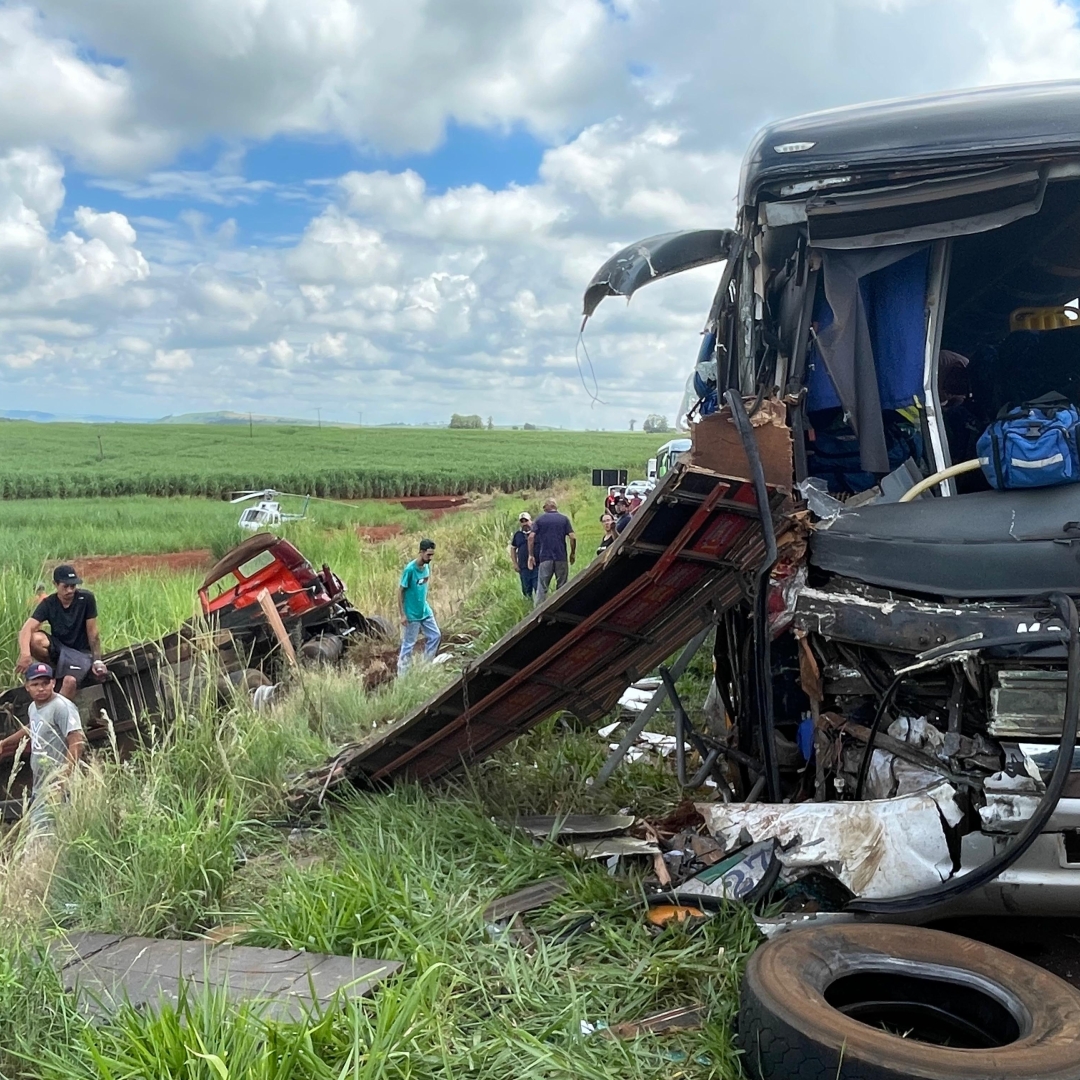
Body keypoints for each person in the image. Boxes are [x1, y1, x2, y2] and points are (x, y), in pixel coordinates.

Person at [0, 662, 85, 829]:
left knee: (48, 835)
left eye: (45, 683)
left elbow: (77, 742)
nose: (41, 688)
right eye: (35, 684)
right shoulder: (34, 708)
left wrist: (63, 779)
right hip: (40, 786)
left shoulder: (61, 707)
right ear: (27, 687)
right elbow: (34, 727)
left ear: (53, 683)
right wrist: (5, 742)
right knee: (42, 836)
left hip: (57, 785)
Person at [17, 565, 107, 701]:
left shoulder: (86, 599)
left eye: (73, 586)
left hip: (81, 652)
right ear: (55, 584)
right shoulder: (49, 603)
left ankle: (55, 712)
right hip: (60, 650)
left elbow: (93, 633)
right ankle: (54, 667)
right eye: (65, 586)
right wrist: (25, 655)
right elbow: (26, 629)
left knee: (69, 681)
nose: (70, 590)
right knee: (35, 639)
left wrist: (97, 661)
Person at [398, 539, 441, 672]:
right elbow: (400, 592)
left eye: (432, 555)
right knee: (408, 644)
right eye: (428, 555)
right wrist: (403, 615)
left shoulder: (427, 567)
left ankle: (425, 667)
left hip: (424, 611)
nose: (430, 558)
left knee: (435, 636)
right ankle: (402, 675)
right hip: (412, 614)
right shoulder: (410, 570)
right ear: (421, 552)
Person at [528, 498, 576, 605]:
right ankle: (561, 607)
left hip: (545, 557)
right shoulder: (564, 519)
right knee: (562, 587)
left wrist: (531, 555)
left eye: (544, 507)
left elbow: (531, 537)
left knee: (542, 588)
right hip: (561, 557)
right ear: (555, 507)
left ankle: (538, 613)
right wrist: (572, 553)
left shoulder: (540, 519)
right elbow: (572, 537)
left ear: (547, 507)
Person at [508, 512, 538, 599]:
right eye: (522, 521)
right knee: (526, 590)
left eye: (526, 521)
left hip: (537, 565)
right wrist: (515, 563)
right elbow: (513, 548)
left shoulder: (536, 532)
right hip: (523, 567)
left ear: (531, 521)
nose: (524, 523)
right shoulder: (518, 535)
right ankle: (529, 608)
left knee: (538, 588)